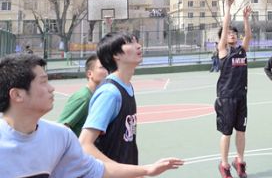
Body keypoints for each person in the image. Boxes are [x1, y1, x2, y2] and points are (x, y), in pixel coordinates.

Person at [0, 53, 183, 178]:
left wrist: (147, 170)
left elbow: (98, 170)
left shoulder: (61, 136)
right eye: (43, 82)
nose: (51, 88)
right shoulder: (90, 97)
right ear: (17, 95)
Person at [80, 33, 147, 167]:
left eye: (137, 42)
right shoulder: (110, 93)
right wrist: (120, 170)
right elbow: (85, 144)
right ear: (116, 54)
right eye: (130, 43)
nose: (138, 46)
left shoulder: (127, 86)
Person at [212, 0, 252, 178]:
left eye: (234, 33)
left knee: (241, 132)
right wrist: (228, 8)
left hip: (241, 96)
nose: (232, 35)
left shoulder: (242, 50)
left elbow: (248, 36)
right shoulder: (223, 50)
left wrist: (246, 19)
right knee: (227, 133)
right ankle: (224, 164)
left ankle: (240, 162)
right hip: (226, 98)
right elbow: (225, 26)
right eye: (228, 33)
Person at [58, 54, 109, 136]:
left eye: (107, 67)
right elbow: (61, 128)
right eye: (102, 67)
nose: (106, 71)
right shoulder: (83, 97)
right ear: (89, 74)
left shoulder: (100, 97)